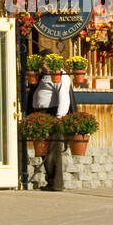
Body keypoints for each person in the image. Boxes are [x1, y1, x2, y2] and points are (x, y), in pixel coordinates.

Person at [31, 49, 72, 190]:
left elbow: (64, 98)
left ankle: (56, 184)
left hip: (52, 113)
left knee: (53, 150)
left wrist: (59, 117)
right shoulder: (44, 75)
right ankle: (50, 181)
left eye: (43, 62)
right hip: (42, 113)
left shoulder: (59, 75)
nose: (42, 65)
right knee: (44, 149)